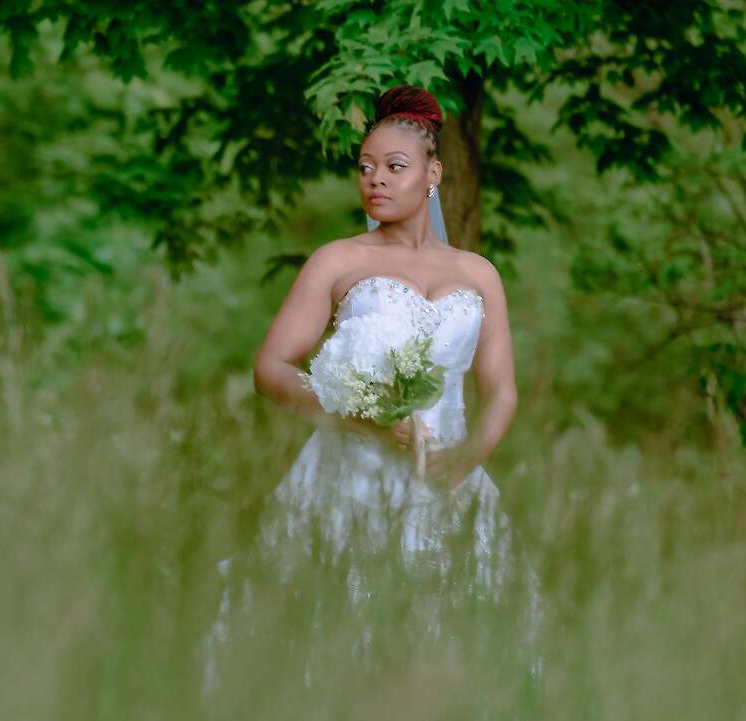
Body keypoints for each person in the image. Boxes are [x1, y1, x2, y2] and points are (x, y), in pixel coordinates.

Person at [201, 84, 543, 709]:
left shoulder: (479, 274)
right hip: (350, 475)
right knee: (343, 639)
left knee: (447, 647)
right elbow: (272, 367)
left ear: (433, 173)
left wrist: (465, 460)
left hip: (448, 480)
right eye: (364, 168)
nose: (375, 180)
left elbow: (502, 394)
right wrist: (360, 419)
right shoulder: (338, 261)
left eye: (394, 167)